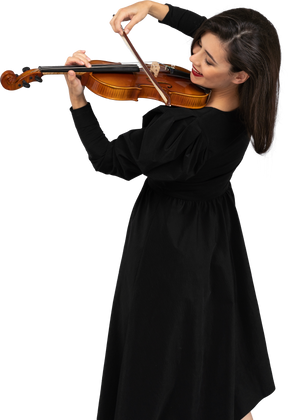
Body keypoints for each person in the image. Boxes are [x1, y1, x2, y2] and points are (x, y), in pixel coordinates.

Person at [62, 1, 279, 420]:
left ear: (240, 74)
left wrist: (78, 101)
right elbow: (223, 35)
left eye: (207, 61)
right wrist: (159, 10)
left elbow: (109, 161)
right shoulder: (246, 101)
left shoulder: (190, 133)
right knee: (209, 329)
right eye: (195, 48)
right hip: (213, 230)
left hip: (169, 243)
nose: (190, 61)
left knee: (160, 344)